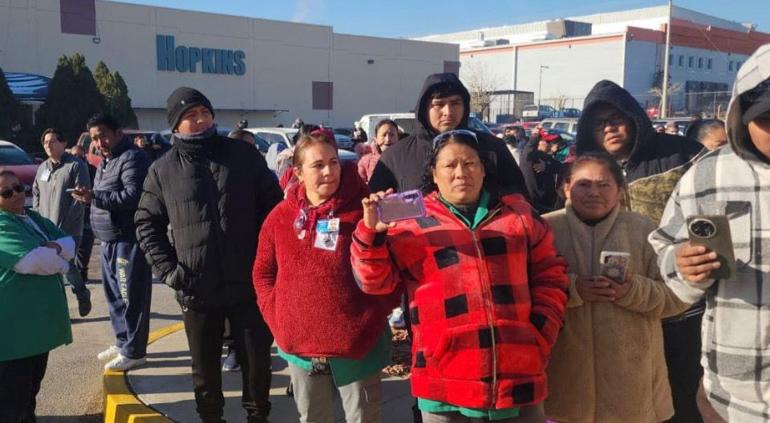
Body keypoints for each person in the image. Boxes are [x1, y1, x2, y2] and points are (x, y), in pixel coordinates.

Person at [352, 130, 569, 422]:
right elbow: (374, 283)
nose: (460, 173)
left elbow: (551, 275)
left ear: (483, 169)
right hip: (443, 381)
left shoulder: (518, 215)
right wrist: (371, 234)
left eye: (469, 164)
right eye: (450, 165)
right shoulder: (410, 224)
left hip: (518, 376)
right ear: (434, 173)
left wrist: (540, 331)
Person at [135, 87, 281, 423]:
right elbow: (146, 223)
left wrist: (269, 262)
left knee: (257, 364)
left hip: (249, 284)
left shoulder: (243, 156)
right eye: (191, 116)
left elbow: (274, 210)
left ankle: (258, 416)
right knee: (205, 372)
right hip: (197, 289)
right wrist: (170, 271)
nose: (201, 120)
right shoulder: (163, 170)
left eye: (205, 112)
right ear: (175, 124)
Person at [649, 44, 770, 423]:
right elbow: (664, 250)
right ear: (741, 117)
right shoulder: (709, 176)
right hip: (737, 396)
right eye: (767, 118)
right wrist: (683, 266)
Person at [575, 81, 704, 422]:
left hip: (684, 301)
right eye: (599, 123)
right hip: (624, 304)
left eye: (616, 119)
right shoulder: (588, 172)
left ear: (633, 117)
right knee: (635, 396)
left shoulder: (682, 155)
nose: (609, 128)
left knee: (685, 393)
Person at [252, 132, 394, 423]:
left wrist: (375, 317)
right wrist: (278, 319)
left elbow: (392, 272)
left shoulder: (367, 211)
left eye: (334, 162)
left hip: (359, 345)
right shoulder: (280, 217)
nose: (329, 171)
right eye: (318, 165)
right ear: (299, 173)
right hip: (300, 348)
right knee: (313, 418)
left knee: (363, 418)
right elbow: (263, 273)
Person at [542, 153, 690, 423]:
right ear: (567, 188)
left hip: (633, 391)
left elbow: (677, 296)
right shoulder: (544, 230)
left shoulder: (645, 231)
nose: (593, 192)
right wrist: (571, 289)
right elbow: (524, 291)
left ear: (619, 190)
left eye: (604, 185)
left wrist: (631, 291)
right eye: (584, 184)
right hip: (564, 391)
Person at [71, 113, 152, 372]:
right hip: (107, 239)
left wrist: (94, 197)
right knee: (115, 298)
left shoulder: (133, 158)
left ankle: (135, 352)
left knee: (131, 298)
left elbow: (133, 196)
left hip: (127, 240)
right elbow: (104, 195)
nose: (99, 142)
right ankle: (122, 342)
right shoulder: (107, 161)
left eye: (103, 136)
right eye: (94, 138)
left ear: (118, 133)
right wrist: (91, 197)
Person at [368, 73, 527, 197]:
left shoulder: (492, 148)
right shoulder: (395, 157)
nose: (448, 112)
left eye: (455, 103)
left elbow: (519, 197)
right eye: (439, 104)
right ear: (424, 109)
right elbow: (374, 207)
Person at [0, 169, 73, 422]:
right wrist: (62, 263)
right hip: (14, 336)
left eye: (18, 187)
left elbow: (69, 243)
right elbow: (32, 261)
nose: (16, 194)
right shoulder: (2, 224)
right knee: (12, 404)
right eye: (6, 192)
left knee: (29, 393)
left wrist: (54, 250)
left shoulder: (32, 217)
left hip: (36, 332)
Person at [33, 128, 93, 317]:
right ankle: (63, 306)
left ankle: (80, 293)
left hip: (69, 229)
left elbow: (80, 199)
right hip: (45, 228)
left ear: (64, 143)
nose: (48, 145)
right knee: (54, 267)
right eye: (45, 142)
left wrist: (64, 226)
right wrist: (37, 219)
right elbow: (36, 193)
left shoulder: (75, 165)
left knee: (64, 264)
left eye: (52, 141)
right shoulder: (42, 168)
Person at [68, 144, 97, 283]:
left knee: (85, 245)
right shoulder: (67, 170)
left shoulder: (92, 170)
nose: (77, 159)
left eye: (80, 156)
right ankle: (71, 273)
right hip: (71, 214)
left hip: (87, 213)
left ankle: (82, 271)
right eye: (74, 156)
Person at [520, 132, 565, 214]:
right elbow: (528, 151)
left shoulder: (545, 156)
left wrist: (546, 167)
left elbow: (560, 167)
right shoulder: (529, 157)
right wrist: (534, 138)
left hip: (549, 202)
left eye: (551, 142)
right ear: (539, 142)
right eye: (548, 142)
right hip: (535, 204)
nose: (550, 145)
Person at [358, 119, 399, 183]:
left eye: (392, 135)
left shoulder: (405, 159)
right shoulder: (365, 162)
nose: (388, 139)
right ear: (376, 139)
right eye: (384, 135)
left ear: (398, 138)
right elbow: (359, 185)